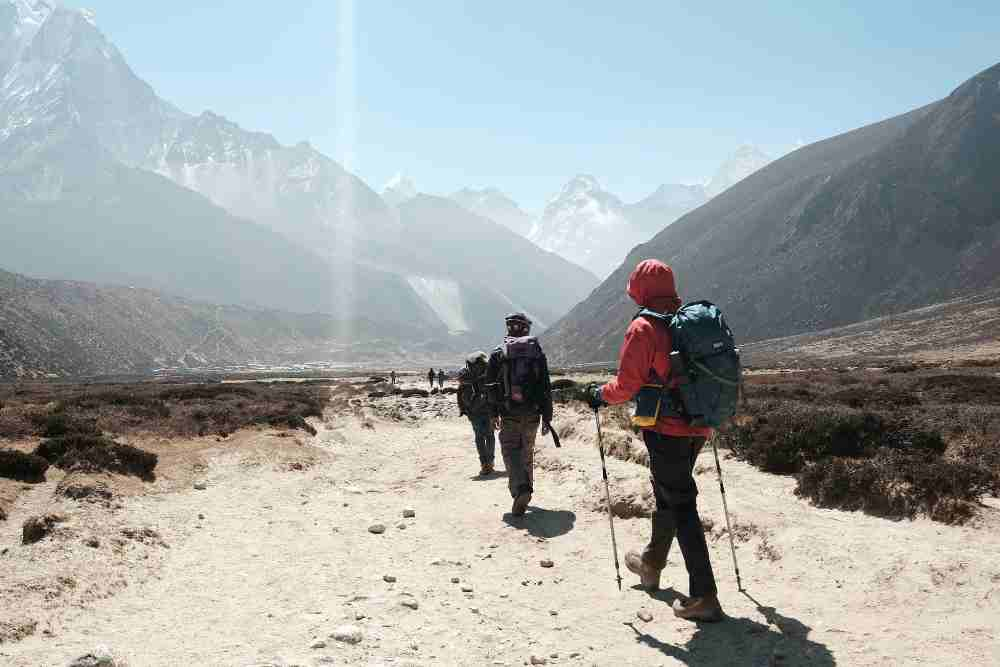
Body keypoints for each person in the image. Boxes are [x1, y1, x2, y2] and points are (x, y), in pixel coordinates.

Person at [586, 259, 723, 622]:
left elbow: (627, 386)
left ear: (639, 289)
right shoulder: (688, 323)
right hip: (697, 426)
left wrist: (599, 394)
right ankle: (651, 564)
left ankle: (704, 595)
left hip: (666, 429)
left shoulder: (644, 328)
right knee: (669, 495)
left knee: (681, 505)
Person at [486, 312, 553, 517]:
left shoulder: (499, 353)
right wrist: (547, 417)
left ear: (509, 328)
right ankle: (527, 491)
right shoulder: (536, 352)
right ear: (527, 329)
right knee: (527, 453)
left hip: (509, 413)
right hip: (533, 414)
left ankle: (521, 490)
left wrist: (492, 413)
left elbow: (490, 386)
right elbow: (545, 386)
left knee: (509, 451)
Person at [457, 351, 495, 476]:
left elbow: (461, 394)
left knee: (479, 437)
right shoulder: (487, 373)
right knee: (489, 436)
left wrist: (464, 410)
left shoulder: (467, 375)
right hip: (488, 410)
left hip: (473, 412)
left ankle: (484, 464)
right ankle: (490, 462)